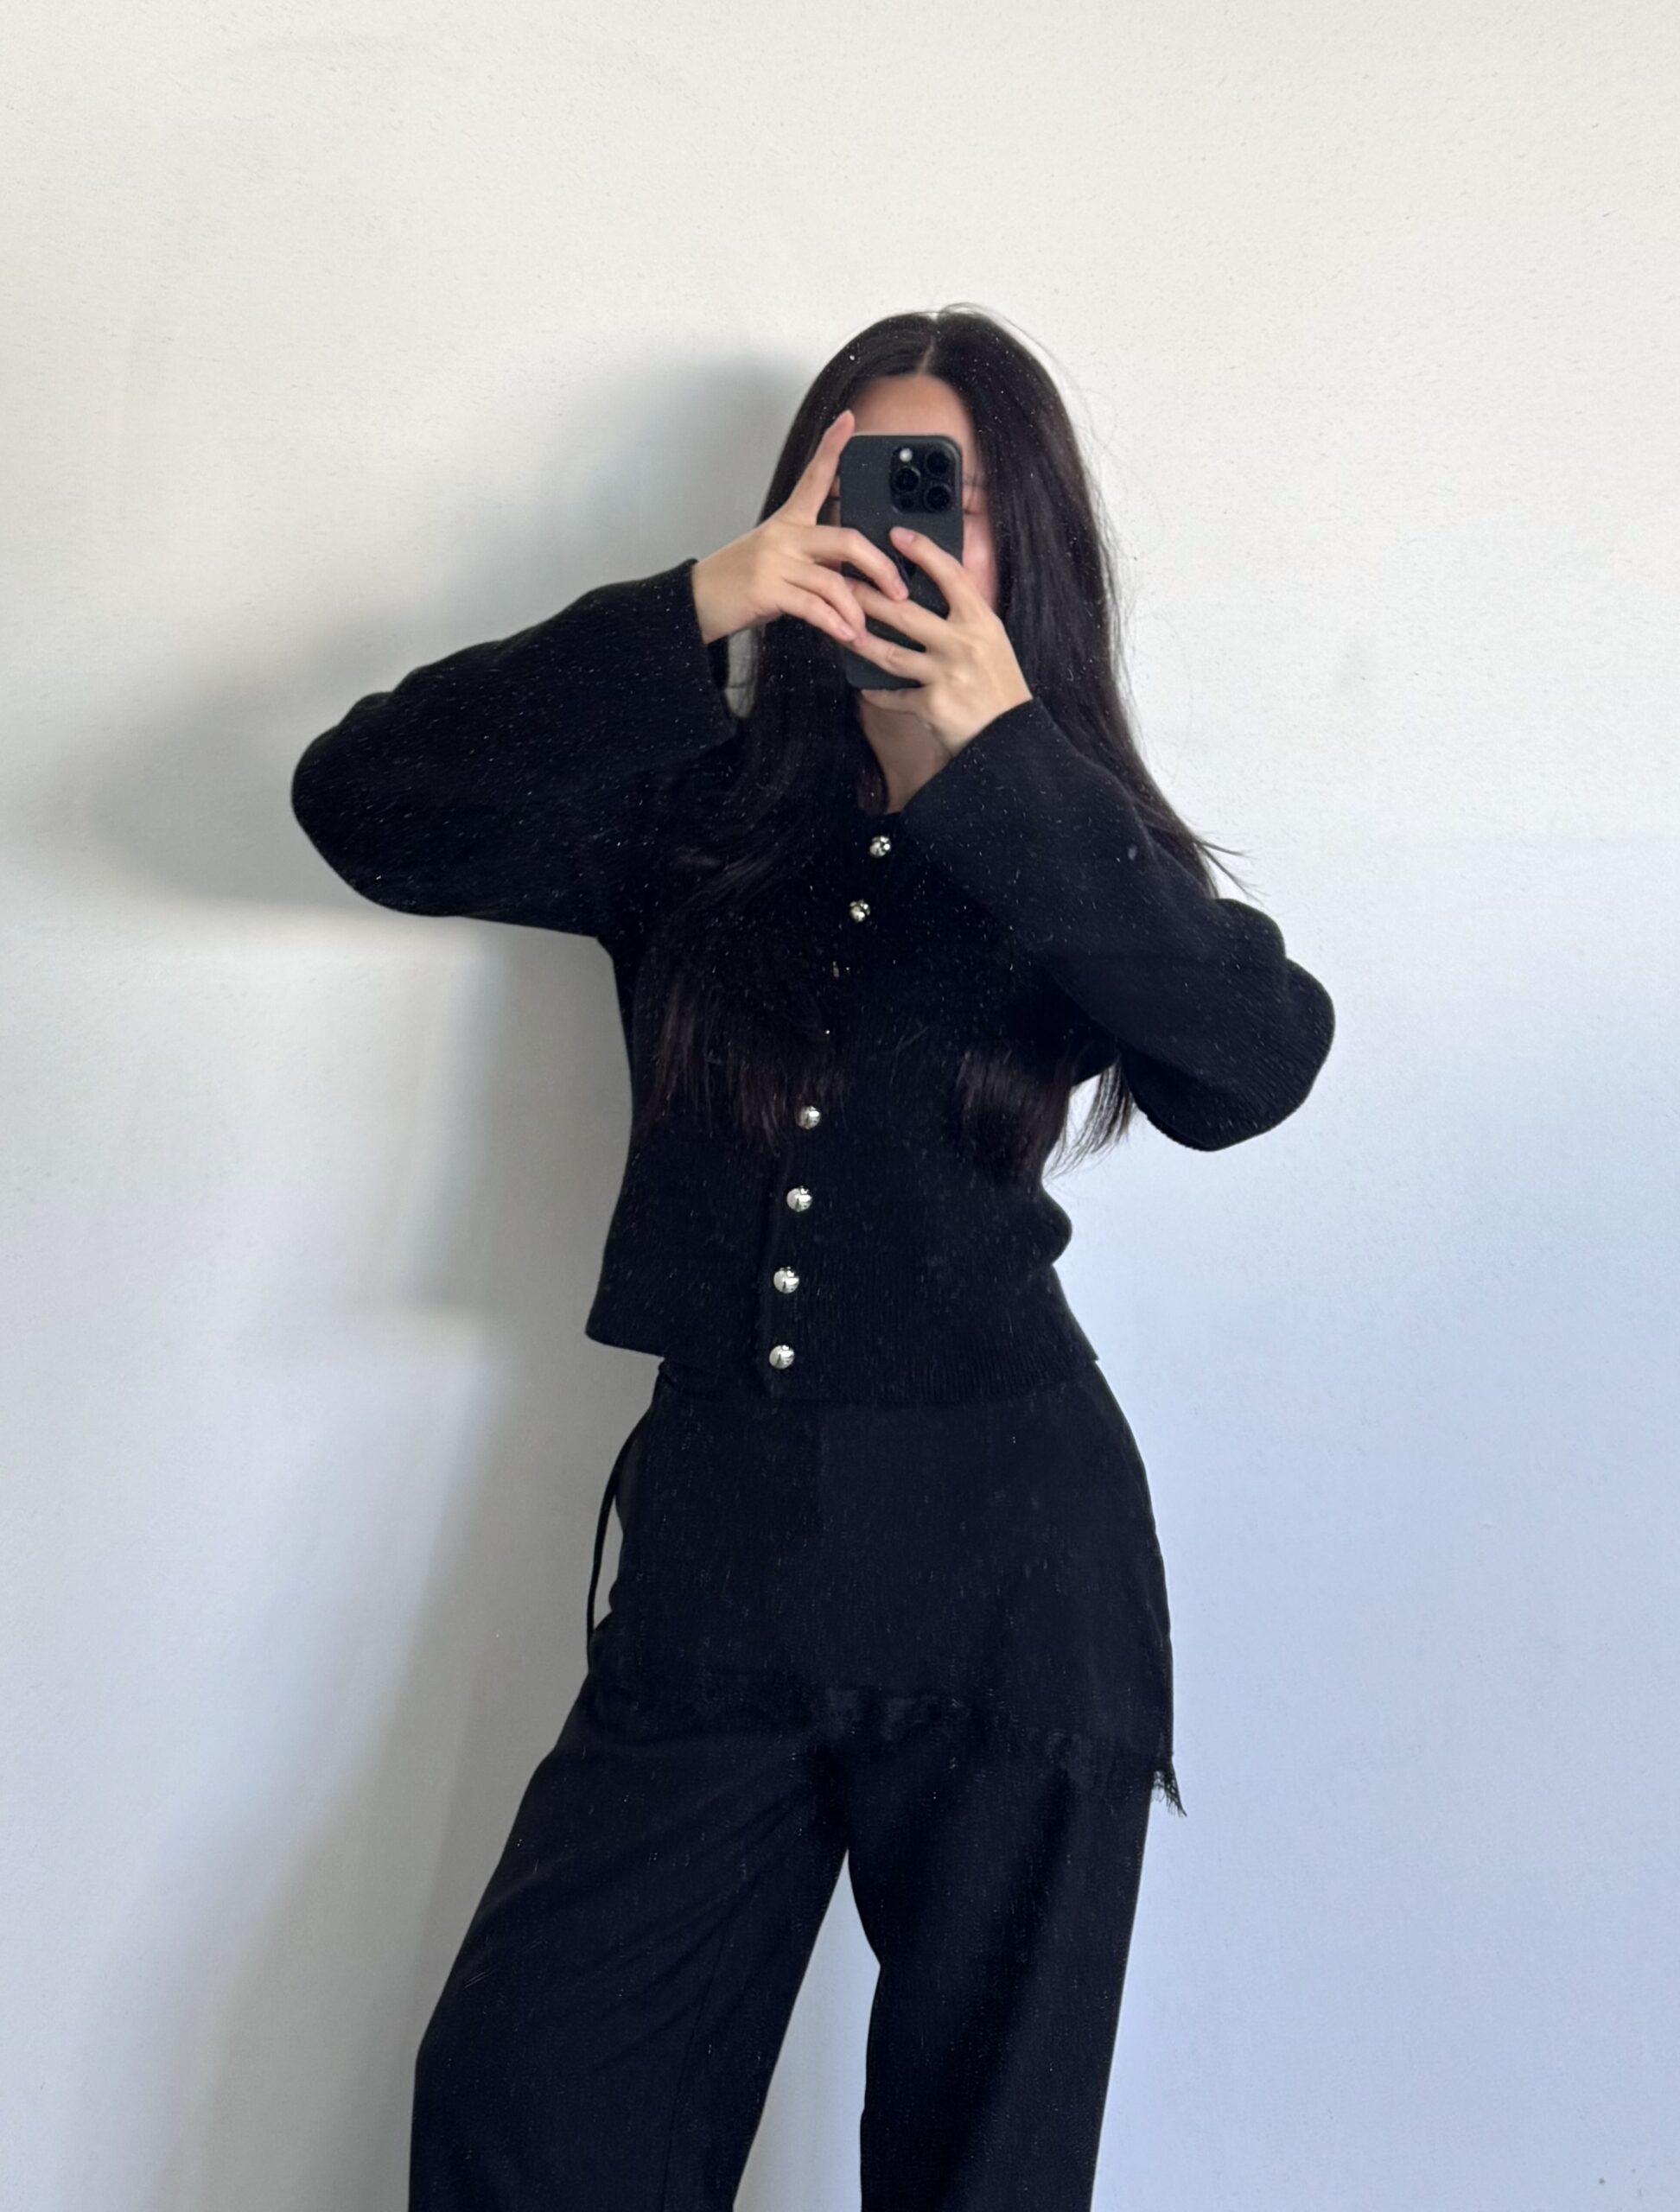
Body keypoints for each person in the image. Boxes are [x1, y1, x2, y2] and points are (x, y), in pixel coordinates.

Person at [290, 306, 1335, 2212]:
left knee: (981, 2170)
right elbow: (361, 804)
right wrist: (703, 601)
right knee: (529, 2103)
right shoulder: (687, 805)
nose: (899, 531)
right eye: (861, 483)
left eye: (952, 498)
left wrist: (993, 759)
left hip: (1011, 1576)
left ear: (1024, 546)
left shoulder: (1063, 828)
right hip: (721, 1562)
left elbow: (1253, 1067)